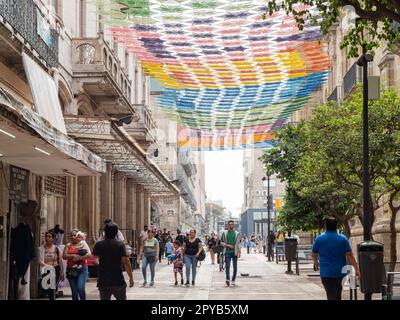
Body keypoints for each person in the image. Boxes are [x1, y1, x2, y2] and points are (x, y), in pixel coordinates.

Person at [312, 217, 360, 300]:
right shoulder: (343, 239)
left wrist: (316, 263)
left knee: (331, 295)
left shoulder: (319, 239)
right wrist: (356, 269)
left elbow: (314, 254)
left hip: (326, 273)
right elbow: (350, 255)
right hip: (340, 273)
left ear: (325, 226)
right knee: (337, 295)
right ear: (336, 226)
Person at [92, 222, 134, 300]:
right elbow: (126, 262)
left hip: (103, 280)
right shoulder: (120, 244)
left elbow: (94, 258)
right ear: (116, 232)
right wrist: (131, 277)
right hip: (117, 280)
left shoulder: (98, 244)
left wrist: (101, 263)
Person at [63, 229, 91, 300]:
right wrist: (73, 256)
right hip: (71, 270)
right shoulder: (68, 245)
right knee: (74, 291)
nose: (72, 237)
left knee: (80, 288)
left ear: (78, 236)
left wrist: (79, 258)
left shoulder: (83, 244)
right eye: (71, 235)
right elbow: (64, 256)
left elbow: (89, 254)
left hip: (82, 269)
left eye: (74, 235)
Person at [39, 231, 65, 300]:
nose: (47, 238)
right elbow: (40, 261)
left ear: (53, 238)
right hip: (46, 270)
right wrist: (48, 266)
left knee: (52, 288)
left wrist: (62, 272)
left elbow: (60, 261)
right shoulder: (41, 248)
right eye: (46, 237)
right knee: (46, 288)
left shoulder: (56, 249)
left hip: (55, 269)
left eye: (49, 237)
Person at [220, 220, 241, 286]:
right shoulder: (225, 233)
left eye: (232, 224)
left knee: (235, 267)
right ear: (228, 225)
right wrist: (227, 245)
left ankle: (233, 279)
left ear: (233, 225)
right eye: (229, 224)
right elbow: (221, 242)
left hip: (234, 252)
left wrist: (239, 251)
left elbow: (239, 244)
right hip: (227, 252)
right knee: (228, 266)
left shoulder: (237, 233)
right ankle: (227, 279)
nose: (230, 225)